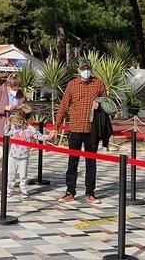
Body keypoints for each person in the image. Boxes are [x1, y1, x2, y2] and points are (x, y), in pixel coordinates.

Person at [52, 58, 106, 203]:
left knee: (91, 163)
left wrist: (99, 105)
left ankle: (90, 192)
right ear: (79, 70)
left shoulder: (99, 83)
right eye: (83, 69)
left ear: (91, 68)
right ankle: (70, 191)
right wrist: (55, 127)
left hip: (91, 129)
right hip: (75, 128)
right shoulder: (72, 84)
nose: (86, 71)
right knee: (72, 162)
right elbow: (63, 106)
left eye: (88, 68)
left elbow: (108, 103)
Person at [0, 74, 24, 193]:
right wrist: (5, 108)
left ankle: (6, 181)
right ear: (9, 85)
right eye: (14, 88)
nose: (16, 90)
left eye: (18, 88)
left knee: (10, 158)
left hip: (14, 129)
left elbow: (22, 109)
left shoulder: (20, 94)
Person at [5, 111, 50, 198]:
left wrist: (49, 136)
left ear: (21, 120)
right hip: (13, 155)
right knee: (11, 174)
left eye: (15, 121)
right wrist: (7, 125)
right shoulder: (14, 128)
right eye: (13, 122)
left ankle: (24, 190)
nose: (14, 123)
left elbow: (38, 136)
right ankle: (10, 189)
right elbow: (6, 133)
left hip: (24, 156)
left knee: (23, 175)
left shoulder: (30, 129)